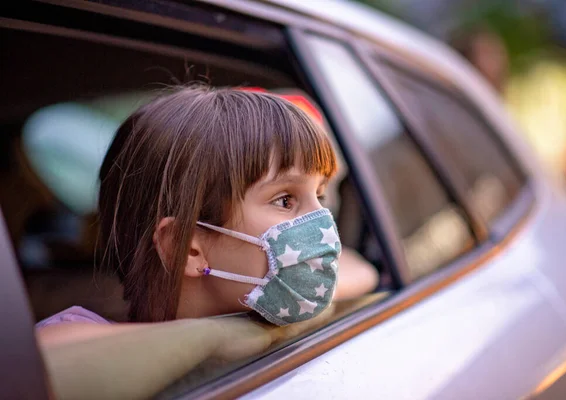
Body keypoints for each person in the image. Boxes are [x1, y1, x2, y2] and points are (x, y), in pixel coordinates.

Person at [35, 86, 378, 397]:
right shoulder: (73, 335)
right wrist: (220, 336)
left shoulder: (265, 306)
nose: (322, 223)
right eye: (285, 200)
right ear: (187, 248)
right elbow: (37, 377)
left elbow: (359, 270)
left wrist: (267, 329)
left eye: (319, 195)